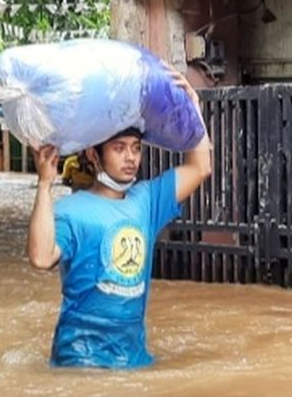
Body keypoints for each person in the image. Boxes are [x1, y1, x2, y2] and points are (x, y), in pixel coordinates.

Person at [25, 66, 212, 369]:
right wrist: (45, 183)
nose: (131, 158)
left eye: (136, 149)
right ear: (93, 154)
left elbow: (200, 167)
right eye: (119, 148)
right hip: (79, 360)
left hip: (133, 357)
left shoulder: (147, 200)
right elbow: (41, 258)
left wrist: (193, 111)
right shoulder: (70, 210)